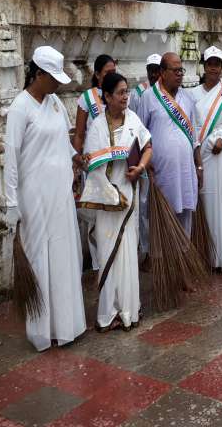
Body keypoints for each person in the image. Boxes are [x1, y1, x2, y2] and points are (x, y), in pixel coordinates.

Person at [3, 46, 86, 351]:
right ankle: (42, 331)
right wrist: (11, 203)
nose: (57, 85)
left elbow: (64, 142)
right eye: (53, 78)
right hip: (34, 197)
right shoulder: (19, 108)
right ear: (38, 74)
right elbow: (11, 159)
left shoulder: (55, 104)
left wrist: (78, 159)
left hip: (60, 194)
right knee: (40, 259)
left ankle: (67, 326)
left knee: (64, 257)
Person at [81, 72, 152, 332]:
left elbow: (147, 146)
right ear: (107, 97)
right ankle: (108, 314)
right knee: (108, 252)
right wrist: (112, 194)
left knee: (127, 253)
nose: (125, 97)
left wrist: (140, 168)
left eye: (127, 92)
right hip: (106, 200)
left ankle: (129, 310)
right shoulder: (97, 126)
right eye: (120, 93)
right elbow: (92, 166)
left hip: (128, 194)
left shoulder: (133, 119)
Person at [138, 52, 202, 237]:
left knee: (185, 213)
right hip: (160, 171)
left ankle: (183, 257)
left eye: (181, 70)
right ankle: (161, 260)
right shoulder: (148, 97)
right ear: (162, 72)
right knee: (162, 216)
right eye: (175, 70)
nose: (180, 74)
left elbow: (194, 136)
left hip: (186, 170)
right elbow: (140, 134)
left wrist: (199, 165)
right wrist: (146, 164)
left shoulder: (188, 98)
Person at [190, 46, 222, 269]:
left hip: (219, 153)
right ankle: (204, 256)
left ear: (221, 67)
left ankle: (221, 259)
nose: (213, 68)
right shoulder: (192, 94)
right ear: (204, 66)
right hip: (200, 153)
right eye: (210, 63)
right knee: (203, 202)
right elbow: (191, 126)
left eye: (217, 64)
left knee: (221, 203)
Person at [73, 53, 118, 269]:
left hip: (116, 164)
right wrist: (76, 161)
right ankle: (99, 263)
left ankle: (115, 255)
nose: (112, 75)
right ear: (98, 74)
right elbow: (79, 134)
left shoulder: (119, 94)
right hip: (94, 164)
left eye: (114, 71)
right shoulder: (87, 98)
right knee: (97, 212)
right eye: (108, 72)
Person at [128, 53, 162, 260]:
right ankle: (147, 250)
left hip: (163, 158)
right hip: (144, 159)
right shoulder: (138, 93)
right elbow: (135, 128)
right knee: (144, 206)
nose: (153, 74)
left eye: (157, 70)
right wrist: (144, 161)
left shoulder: (169, 93)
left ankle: (161, 249)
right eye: (150, 70)